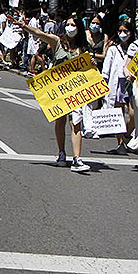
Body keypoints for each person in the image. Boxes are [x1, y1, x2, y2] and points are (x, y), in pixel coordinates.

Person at [10, 13, 91, 173]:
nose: (70, 27)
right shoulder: (57, 42)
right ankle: (61, 154)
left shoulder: (83, 47)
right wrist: (24, 26)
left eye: (73, 25)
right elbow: (40, 34)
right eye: (68, 24)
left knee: (76, 122)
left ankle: (77, 158)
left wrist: (91, 62)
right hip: (59, 89)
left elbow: (86, 68)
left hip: (75, 89)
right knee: (60, 121)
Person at [101, 20, 135, 155]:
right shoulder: (113, 49)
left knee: (132, 114)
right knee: (118, 114)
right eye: (120, 31)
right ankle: (120, 143)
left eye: (125, 31)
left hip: (132, 83)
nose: (122, 34)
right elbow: (106, 69)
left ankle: (127, 135)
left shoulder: (135, 47)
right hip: (117, 84)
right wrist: (103, 82)